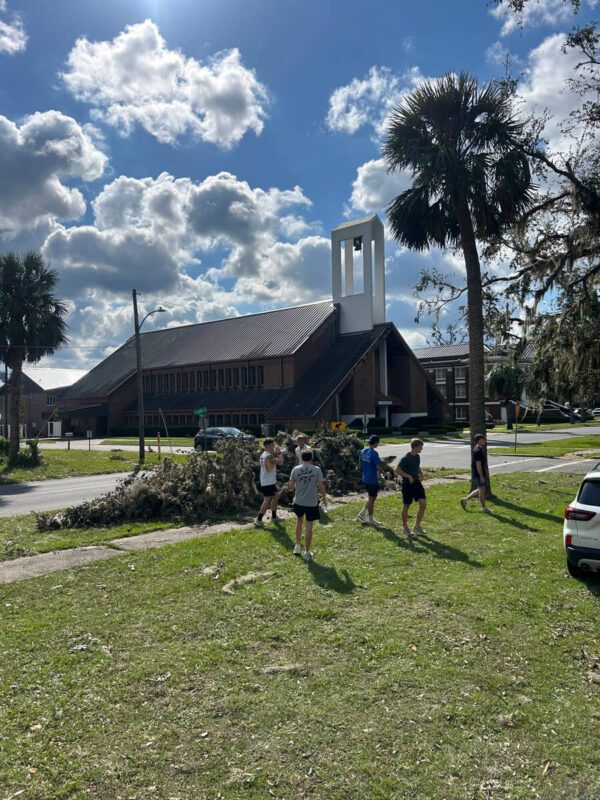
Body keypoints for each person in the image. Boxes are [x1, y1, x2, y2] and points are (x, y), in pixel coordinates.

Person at [289, 450, 326, 561]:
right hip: (311, 502)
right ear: (312, 458)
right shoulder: (317, 469)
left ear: (301, 457)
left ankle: (297, 546)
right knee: (309, 525)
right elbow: (321, 486)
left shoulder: (295, 469)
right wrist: (324, 499)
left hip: (299, 501)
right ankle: (307, 552)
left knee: (299, 522)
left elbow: (290, 486)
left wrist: (299, 486)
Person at [395, 438, 427, 537]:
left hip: (417, 483)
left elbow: (417, 467)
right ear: (416, 447)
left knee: (423, 503)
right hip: (407, 485)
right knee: (406, 506)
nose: (422, 448)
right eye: (421, 447)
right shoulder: (406, 458)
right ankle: (405, 528)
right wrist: (408, 476)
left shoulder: (417, 456)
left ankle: (417, 526)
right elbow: (397, 470)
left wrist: (421, 474)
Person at [254, 437, 283, 528]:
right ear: (267, 446)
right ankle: (258, 520)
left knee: (276, 496)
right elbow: (280, 463)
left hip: (268, 481)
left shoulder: (264, 454)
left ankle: (274, 517)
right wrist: (279, 452)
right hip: (267, 482)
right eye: (272, 445)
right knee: (266, 501)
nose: (274, 446)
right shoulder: (269, 456)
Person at [460, 433, 492, 514]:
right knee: (482, 491)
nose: (485, 441)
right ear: (479, 441)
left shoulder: (479, 449)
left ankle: (465, 500)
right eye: (483, 439)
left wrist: (486, 471)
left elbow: (482, 463)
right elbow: (478, 465)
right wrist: (481, 476)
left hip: (480, 473)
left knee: (480, 489)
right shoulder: (477, 451)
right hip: (478, 474)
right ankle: (484, 508)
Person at [357, 434, 383, 527]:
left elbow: (360, 464)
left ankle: (362, 513)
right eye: (378, 443)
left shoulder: (363, 451)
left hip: (365, 477)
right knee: (372, 499)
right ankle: (371, 519)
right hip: (372, 479)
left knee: (372, 497)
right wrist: (383, 472)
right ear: (375, 443)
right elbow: (378, 467)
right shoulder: (374, 453)